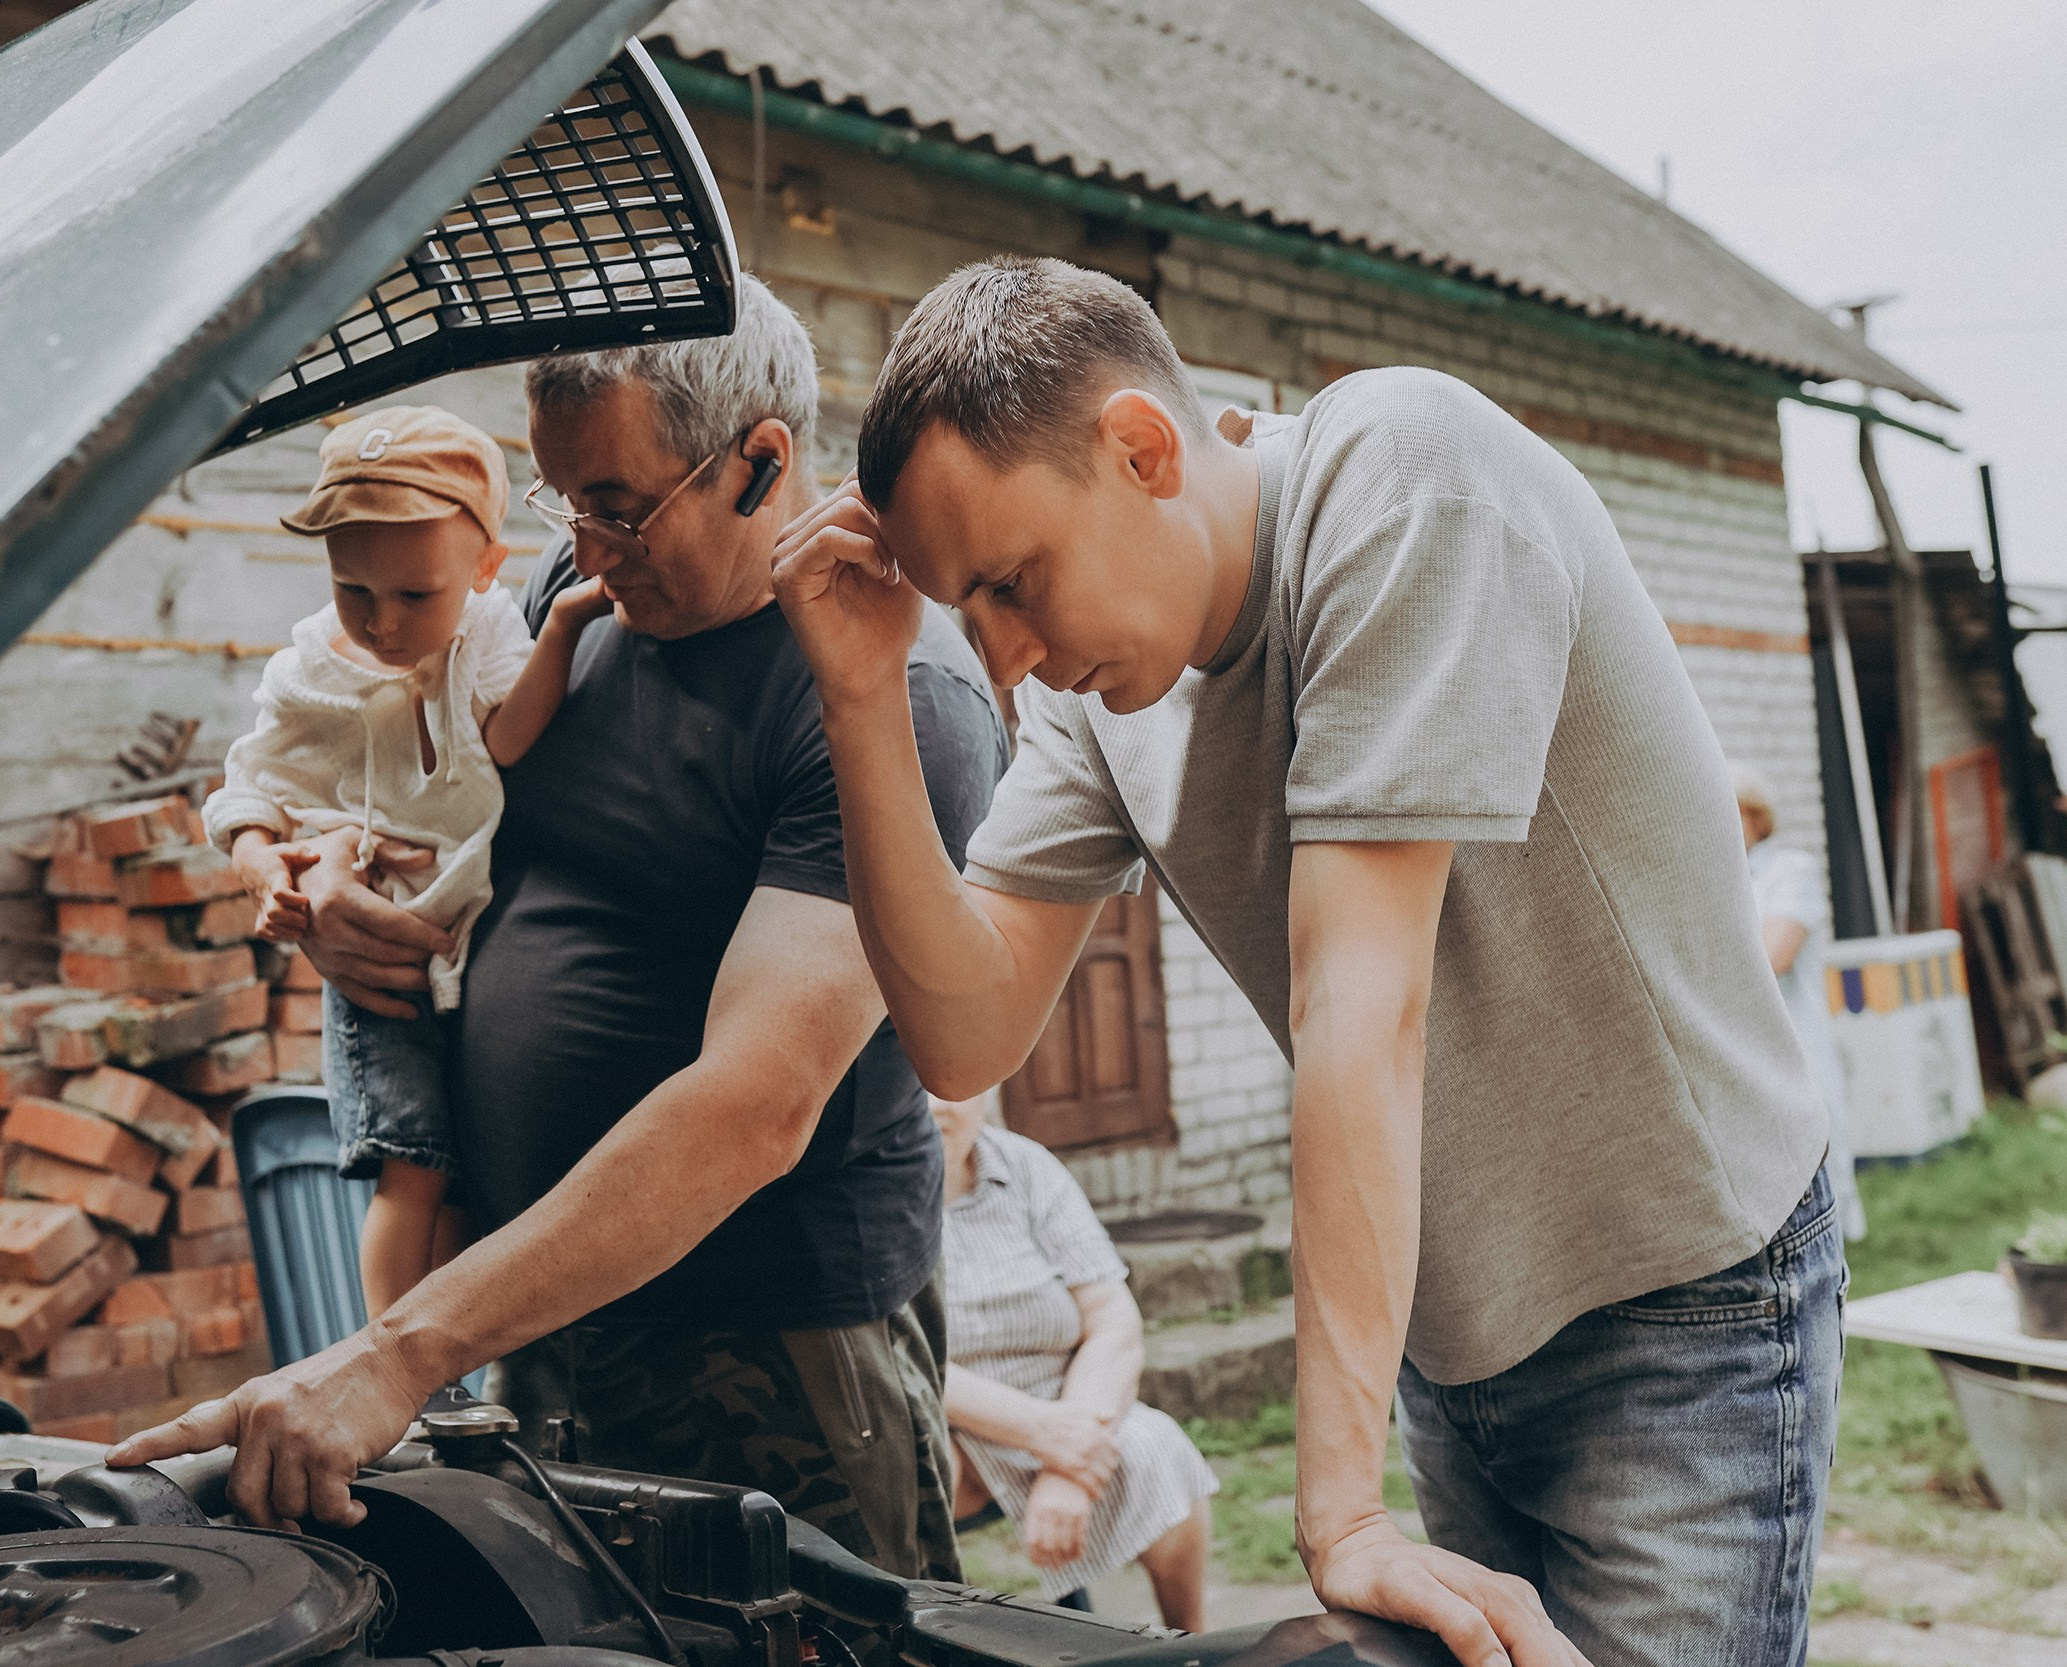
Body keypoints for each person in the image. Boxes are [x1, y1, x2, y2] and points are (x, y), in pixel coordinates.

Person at [770, 256, 1840, 1667]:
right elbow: (965, 1031)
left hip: (1679, 1297)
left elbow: (1361, 1003)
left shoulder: (1406, 479)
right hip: (1452, 1334)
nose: (1011, 656)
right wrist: (855, 695)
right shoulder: (1104, 693)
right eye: (974, 609)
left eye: (1015, 581)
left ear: (1142, 448)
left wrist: (1338, 1512)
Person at [116, 278, 1010, 1581]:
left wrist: (400, 1349)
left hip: (768, 1339)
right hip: (550, 1307)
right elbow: (445, 791)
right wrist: (337, 895)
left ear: (761, 462)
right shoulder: (578, 585)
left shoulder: (889, 698)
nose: (583, 547)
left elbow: (758, 1100)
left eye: (618, 503)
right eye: (563, 500)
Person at [203, 407, 609, 1311]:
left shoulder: (495, 636)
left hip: (458, 947)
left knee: (459, 1181)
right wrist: (269, 866)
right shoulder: (316, 667)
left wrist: (570, 624)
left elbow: (506, 739)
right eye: (356, 591)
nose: (382, 624)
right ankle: (383, 1353)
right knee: (412, 1169)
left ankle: (444, 1374)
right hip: (377, 976)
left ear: (485, 569)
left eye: (416, 597)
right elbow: (251, 784)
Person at [933, 1090, 1216, 1630]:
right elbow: (902, 1358)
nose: (930, 1107)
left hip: (1065, 1396)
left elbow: (1113, 1321)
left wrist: (1071, 1466)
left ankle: (1189, 1644)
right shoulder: (865, 1192)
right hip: (943, 1418)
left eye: (949, 1087)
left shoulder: (1028, 1167)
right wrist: (1047, 1437)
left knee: (1157, 1448)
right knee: (912, 1475)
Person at [1733, 764, 1866, 1239]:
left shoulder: (1791, 870)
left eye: (1733, 811)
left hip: (1795, 1033)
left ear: (1755, 816)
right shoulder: (1717, 876)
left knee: (1814, 1141)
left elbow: (1775, 956)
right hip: (1743, 1040)